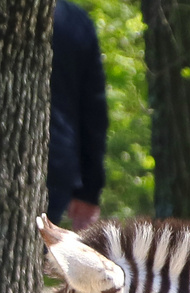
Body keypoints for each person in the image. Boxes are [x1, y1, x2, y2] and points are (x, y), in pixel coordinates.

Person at [48, 0, 108, 231]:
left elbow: (93, 109)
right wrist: (89, 191)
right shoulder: (74, 20)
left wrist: (89, 190)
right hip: (55, 161)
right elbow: (93, 112)